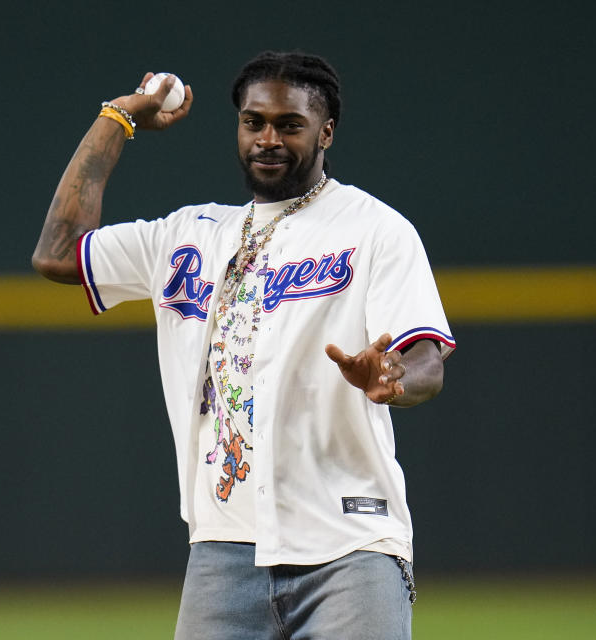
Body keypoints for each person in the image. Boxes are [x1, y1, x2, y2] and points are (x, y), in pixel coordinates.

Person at [33, 50, 455, 640]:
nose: (268, 138)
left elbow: (426, 362)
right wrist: (119, 116)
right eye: (254, 122)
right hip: (223, 550)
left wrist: (392, 375)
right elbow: (57, 253)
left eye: (290, 124)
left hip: (349, 546)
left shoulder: (374, 228)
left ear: (326, 131)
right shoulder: (187, 235)